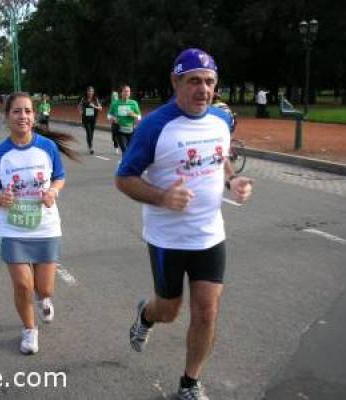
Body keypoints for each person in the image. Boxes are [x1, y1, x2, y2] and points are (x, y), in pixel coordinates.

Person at [115, 48, 253, 400]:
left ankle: (189, 383)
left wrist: (231, 180)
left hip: (209, 234)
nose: (202, 90)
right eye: (194, 81)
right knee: (169, 310)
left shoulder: (221, 120)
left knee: (206, 312)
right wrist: (162, 197)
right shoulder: (154, 127)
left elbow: (220, 160)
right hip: (168, 238)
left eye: (209, 82)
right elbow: (124, 178)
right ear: (175, 82)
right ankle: (145, 317)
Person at [0, 92, 78, 355]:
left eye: (27, 111)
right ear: (7, 117)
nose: (22, 116)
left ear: (34, 116)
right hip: (11, 228)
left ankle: (43, 299)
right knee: (23, 285)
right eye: (16, 111)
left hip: (45, 226)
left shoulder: (47, 147)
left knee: (44, 288)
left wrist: (54, 192)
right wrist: (0, 198)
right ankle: (29, 329)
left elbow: (59, 176)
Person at [108, 85, 141, 154]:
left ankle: (124, 163)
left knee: (129, 151)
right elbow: (109, 115)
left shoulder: (134, 103)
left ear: (130, 93)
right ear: (121, 93)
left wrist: (133, 115)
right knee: (125, 151)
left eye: (128, 91)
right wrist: (113, 118)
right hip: (120, 130)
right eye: (125, 91)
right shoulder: (115, 103)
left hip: (131, 131)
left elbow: (139, 117)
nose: (126, 93)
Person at [78, 86, 102, 155]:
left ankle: (89, 145)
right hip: (85, 119)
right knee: (88, 132)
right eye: (89, 91)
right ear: (87, 92)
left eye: (91, 91)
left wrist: (94, 106)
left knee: (91, 133)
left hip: (93, 118)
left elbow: (100, 108)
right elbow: (79, 106)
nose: (90, 92)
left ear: (93, 92)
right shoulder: (84, 99)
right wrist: (80, 111)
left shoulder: (96, 99)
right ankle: (91, 147)